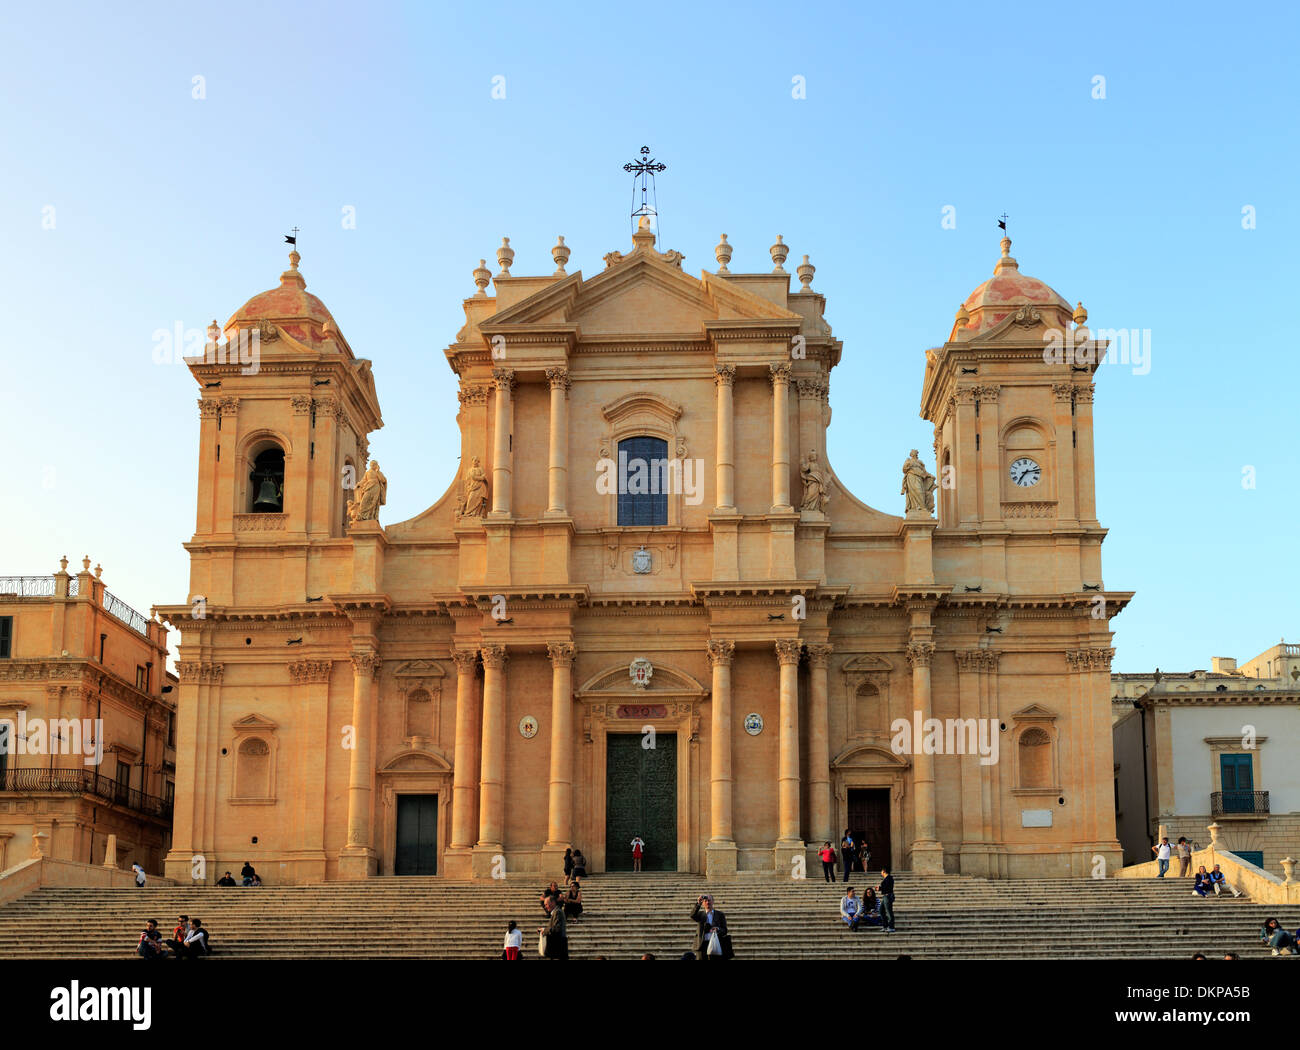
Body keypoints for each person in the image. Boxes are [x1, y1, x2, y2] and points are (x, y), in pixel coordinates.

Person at [690, 894, 732, 961]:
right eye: (705, 901)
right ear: (703, 903)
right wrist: (698, 904)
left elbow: (725, 930)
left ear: (713, 902)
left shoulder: (720, 914)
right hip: (702, 945)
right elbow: (692, 915)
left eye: (709, 900)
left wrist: (718, 929)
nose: (707, 902)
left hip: (716, 944)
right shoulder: (700, 915)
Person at [540, 896, 568, 961]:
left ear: (552, 903)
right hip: (556, 945)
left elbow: (556, 929)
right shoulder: (555, 912)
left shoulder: (558, 912)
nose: (545, 907)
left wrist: (544, 930)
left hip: (558, 945)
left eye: (546, 904)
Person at [877, 867, 896, 933]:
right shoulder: (886, 878)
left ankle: (891, 927)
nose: (881, 872)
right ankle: (885, 926)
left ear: (884, 871)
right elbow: (885, 887)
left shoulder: (889, 878)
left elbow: (888, 888)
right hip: (885, 896)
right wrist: (880, 888)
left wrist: (880, 888)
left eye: (881, 871)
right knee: (881, 910)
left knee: (889, 912)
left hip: (888, 896)